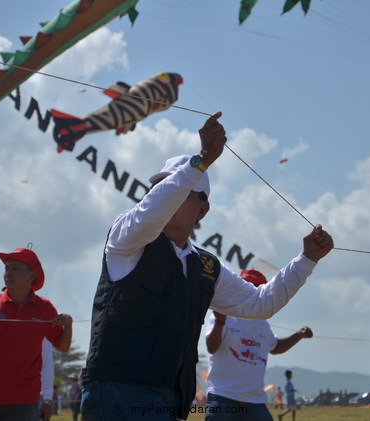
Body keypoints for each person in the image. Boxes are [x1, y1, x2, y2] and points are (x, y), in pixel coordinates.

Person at [80, 112, 334, 421]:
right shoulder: (128, 235)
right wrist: (200, 161)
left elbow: (261, 303)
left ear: (203, 209)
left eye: (182, 192)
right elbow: (150, 212)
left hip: (169, 397)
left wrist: (306, 260)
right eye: (163, 188)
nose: (169, 197)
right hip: (116, 389)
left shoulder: (205, 266)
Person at [0, 245, 73, 421]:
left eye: (15, 269)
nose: (8, 273)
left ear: (32, 275)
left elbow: (63, 346)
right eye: (7, 268)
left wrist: (68, 326)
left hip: (23, 402)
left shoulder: (45, 308)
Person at [204, 269, 314, 421]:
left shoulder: (262, 323)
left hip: (255, 401)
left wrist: (298, 335)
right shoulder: (224, 314)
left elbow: (275, 347)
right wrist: (220, 321)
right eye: (248, 287)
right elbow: (212, 347)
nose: (251, 293)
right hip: (223, 396)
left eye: (256, 288)